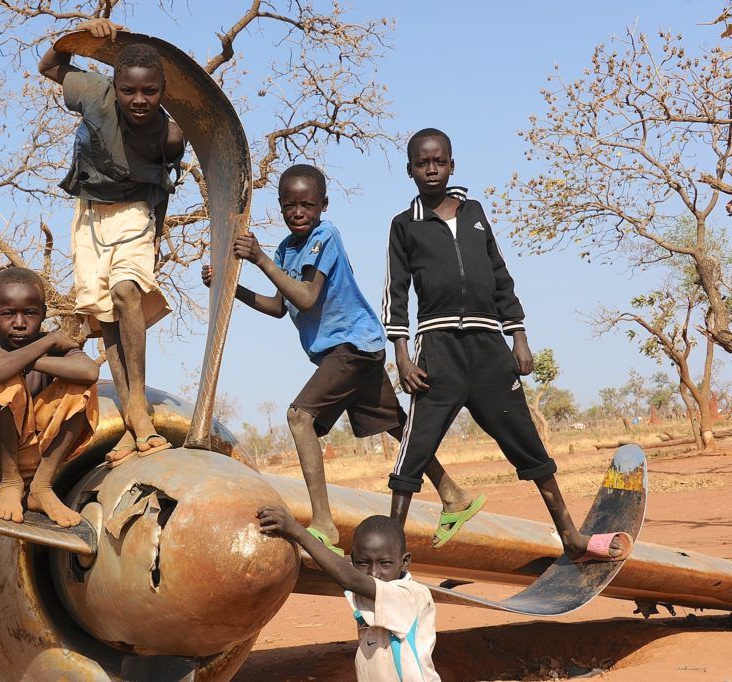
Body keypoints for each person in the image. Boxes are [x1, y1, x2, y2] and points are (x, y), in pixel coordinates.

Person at [383, 128, 632, 561]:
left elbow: (501, 277)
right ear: (410, 171)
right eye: (422, 163)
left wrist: (519, 336)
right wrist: (402, 355)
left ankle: (571, 536)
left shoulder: (475, 213)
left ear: (452, 164)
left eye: (439, 161)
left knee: (527, 442)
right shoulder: (404, 226)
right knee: (414, 450)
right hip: (438, 350)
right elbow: (395, 292)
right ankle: (389, 551)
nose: (431, 169)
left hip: (489, 348)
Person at [203, 164, 470, 550]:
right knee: (397, 425)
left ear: (323, 205)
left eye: (307, 205)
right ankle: (453, 494)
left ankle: (324, 523)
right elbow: (280, 306)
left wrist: (260, 260)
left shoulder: (325, 235)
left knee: (299, 418)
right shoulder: (285, 250)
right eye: (289, 205)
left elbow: (308, 297)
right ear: (280, 206)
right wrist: (232, 287)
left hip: (352, 346)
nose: (298, 212)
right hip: (350, 351)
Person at [38, 18, 185, 465]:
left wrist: (155, 238)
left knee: (127, 293)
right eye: (130, 91)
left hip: (135, 213)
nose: (139, 100)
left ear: (162, 90)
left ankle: (138, 408)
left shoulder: (170, 136)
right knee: (106, 320)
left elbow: (160, 188)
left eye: (150, 92)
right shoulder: (94, 91)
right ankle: (131, 424)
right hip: (89, 216)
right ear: (117, 86)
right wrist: (80, 35)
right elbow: (50, 65)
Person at [0, 267, 100, 527]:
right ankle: (10, 483)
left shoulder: (52, 345)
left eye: (30, 313)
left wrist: (39, 351)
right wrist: (46, 344)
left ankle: (41, 488)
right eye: (8, 313)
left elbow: (89, 371)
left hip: (33, 460)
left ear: (42, 314)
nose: (19, 323)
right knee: (4, 381)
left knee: (82, 387)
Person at [258, 506, 439, 682]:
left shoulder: (411, 595)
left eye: (384, 563)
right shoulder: (371, 592)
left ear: (405, 561)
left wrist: (296, 530)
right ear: (352, 560)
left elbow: (349, 578)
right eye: (363, 563)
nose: (373, 573)